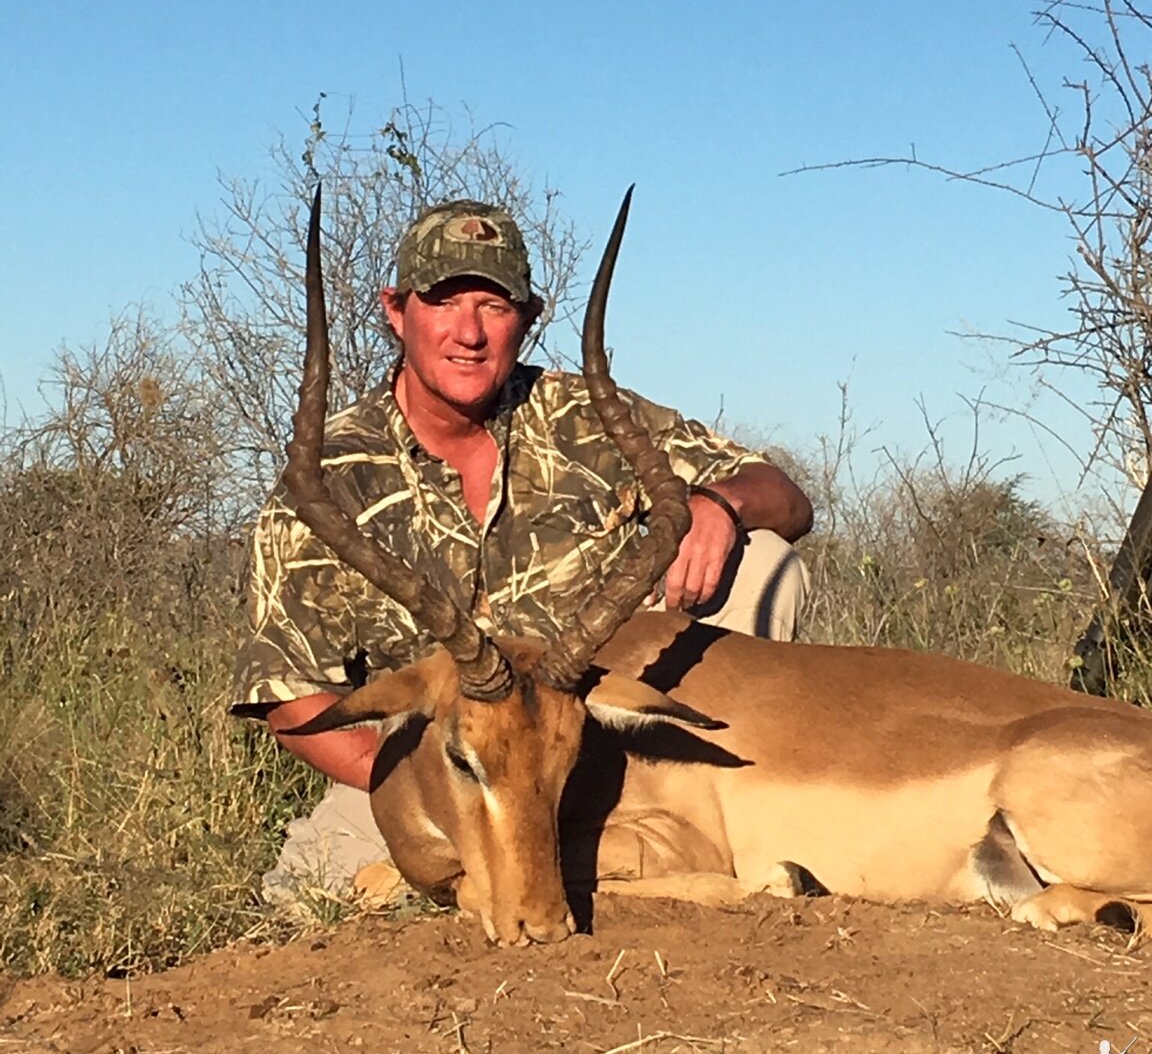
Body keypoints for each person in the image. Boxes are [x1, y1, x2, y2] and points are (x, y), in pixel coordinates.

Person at [232, 199, 813, 904]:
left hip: (606, 759)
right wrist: (464, 798)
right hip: (443, 775)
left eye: (495, 305)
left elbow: (784, 496)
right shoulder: (327, 478)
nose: (469, 332)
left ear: (529, 319)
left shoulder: (587, 418)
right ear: (396, 310)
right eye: (444, 301)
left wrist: (722, 505)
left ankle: (725, 811)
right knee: (306, 893)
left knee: (759, 558)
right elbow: (289, 700)